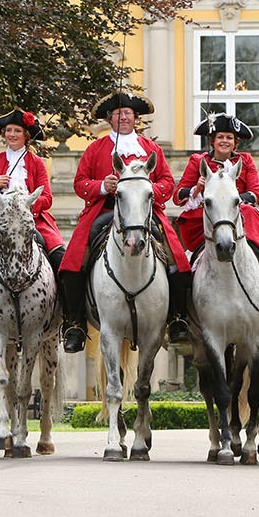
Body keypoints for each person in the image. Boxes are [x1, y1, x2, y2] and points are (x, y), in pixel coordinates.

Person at [64, 92, 191, 353]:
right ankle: (75, 323)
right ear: (110, 120)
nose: (124, 118)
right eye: (118, 114)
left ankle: (177, 317)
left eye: (129, 114)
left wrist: (148, 189)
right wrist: (101, 186)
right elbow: (80, 183)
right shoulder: (95, 149)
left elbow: (167, 181)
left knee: (177, 257)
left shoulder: (151, 149)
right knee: (74, 261)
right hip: (105, 210)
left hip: (145, 212)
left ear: (136, 119)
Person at [174, 113, 259, 329]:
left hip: (239, 220)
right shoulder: (198, 161)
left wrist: (234, 201)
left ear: (235, 142)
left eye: (229, 138)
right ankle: (180, 317)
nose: (225, 141)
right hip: (204, 221)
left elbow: (256, 195)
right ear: (212, 140)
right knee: (179, 268)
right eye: (220, 137)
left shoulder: (245, 161)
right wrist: (197, 188)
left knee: (248, 212)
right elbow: (178, 195)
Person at [0, 109, 64, 346]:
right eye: (9, 131)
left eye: (17, 131)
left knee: (62, 259)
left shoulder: (36, 162)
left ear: (26, 135)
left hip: (34, 221)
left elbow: (47, 197)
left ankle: (64, 318)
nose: (12, 135)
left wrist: (27, 204)